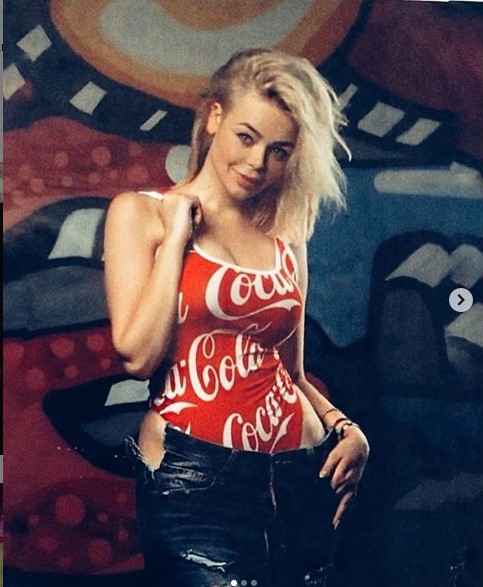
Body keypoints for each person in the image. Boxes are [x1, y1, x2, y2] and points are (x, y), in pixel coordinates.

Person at [103, 47, 369, 587]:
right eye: (246, 137)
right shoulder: (142, 213)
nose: (257, 163)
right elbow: (137, 355)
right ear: (214, 117)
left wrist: (348, 431)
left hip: (303, 480)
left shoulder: (286, 235)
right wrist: (177, 238)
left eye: (279, 150)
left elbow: (290, 373)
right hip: (196, 486)